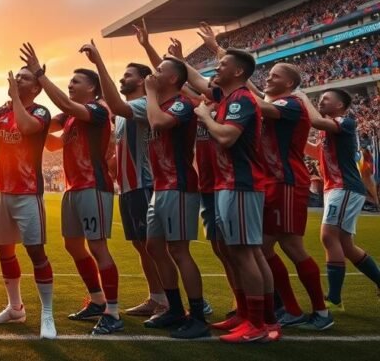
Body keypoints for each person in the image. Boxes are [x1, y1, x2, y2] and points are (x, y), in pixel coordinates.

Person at [20, 42, 120, 336]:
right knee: (73, 245)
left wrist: (39, 75)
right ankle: (98, 301)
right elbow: (46, 132)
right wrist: (22, 99)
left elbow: (63, 103)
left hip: (94, 185)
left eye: (76, 81)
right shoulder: (72, 117)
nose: (71, 84)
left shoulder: (97, 110)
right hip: (74, 187)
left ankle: (113, 312)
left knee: (97, 246)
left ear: (93, 88)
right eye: (70, 81)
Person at [189, 49, 276, 343]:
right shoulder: (228, 98)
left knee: (245, 252)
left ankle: (257, 325)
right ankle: (258, 317)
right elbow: (199, 83)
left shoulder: (240, 99)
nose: (217, 66)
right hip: (231, 184)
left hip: (241, 183)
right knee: (246, 252)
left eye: (223, 64)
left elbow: (226, 136)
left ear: (238, 72)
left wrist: (204, 116)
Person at [85, 35, 165, 320]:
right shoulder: (121, 115)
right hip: (128, 188)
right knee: (141, 246)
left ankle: (168, 300)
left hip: (144, 185)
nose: (123, 78)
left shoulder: (143, 103)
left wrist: (100, 63)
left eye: (128, 75)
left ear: (143, 81)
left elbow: (117, 105)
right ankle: (156, 297)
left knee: (154, 247)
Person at [254, 65, 331, 330]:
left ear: (289, 83)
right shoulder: (282, 101)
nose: (268, 78)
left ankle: (319, 313)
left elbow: (256, 104)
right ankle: (292, 308)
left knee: (289, 248)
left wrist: (232, 86)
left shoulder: (293, 102)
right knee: (267, 249)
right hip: (274, 183)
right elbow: (256, 98)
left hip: (286, 182)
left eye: (275, 76)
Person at [0, 64, 56, 339]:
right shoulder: (3, 111)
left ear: (35, 88)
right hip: (3, 192)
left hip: (28, 193)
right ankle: (15, 308)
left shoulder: (40, 112)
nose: (17, 79)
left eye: (24, 78)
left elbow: (25, 127)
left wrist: (14, 99)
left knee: (36, 252)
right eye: (17, 76)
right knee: (4, 251)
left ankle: (47, 314)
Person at [141, 58, 208, 338]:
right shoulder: (163, 103)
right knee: (154, 247)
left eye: (159, 70)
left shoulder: (181, 104)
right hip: (161, 186)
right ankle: (175, 309)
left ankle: (198, 317)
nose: (153, 74)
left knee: (179, 250)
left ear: (172, 79)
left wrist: (149, 92)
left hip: (179, 185)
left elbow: (158, 121)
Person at [303, 88, 380, 307]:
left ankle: (334, 295)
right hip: (335, 188)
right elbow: (317, 153)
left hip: (344, 187)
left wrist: (302, 98)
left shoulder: (346, 123)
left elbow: (316, 122)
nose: (321, 100)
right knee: (345, 244)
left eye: (326, 98)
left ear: (339, 105)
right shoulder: (327, 129)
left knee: (328, 236)